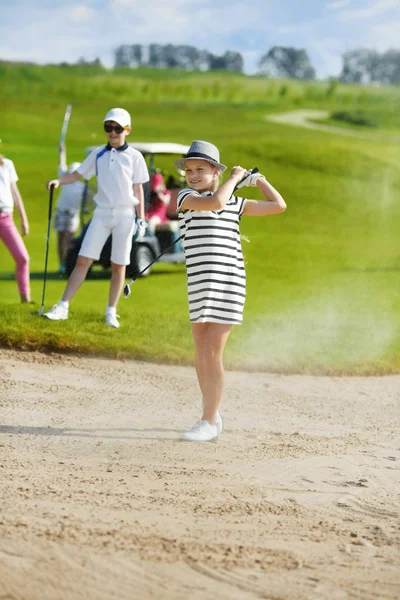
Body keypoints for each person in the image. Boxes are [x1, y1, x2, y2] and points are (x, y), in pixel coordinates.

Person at [175, 140, 286, 442]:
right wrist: (235, 180)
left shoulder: (235, 203)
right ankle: (212, 411)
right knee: (201, 353)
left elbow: (278, 205)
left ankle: (209, 420)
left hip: (228, 284)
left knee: (212, 351)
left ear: (215, 173)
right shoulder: (185, 197)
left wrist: (258, 180)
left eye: (201, 169)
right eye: (189, 170)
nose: (193, 175)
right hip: (199, 284)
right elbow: (214, 204)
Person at [43, 107, 149, 328]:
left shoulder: (135, 157)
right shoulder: (98, 154)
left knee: (118, 264)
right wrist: (58, 181)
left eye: (117, 128)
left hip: (126, 215)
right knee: (83, 259)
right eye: (108, 127)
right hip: (101, 213)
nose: (112, 132)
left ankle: (111, 311)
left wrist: (141, 219)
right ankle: (63, 306)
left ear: (127, 130)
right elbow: (78, 174)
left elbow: (137, 188)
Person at [0, 152, 32, 303]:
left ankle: (25, 299)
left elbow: (15, 192)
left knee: (23, 258)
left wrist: (23, 218)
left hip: (6, 217)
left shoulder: (7, 164)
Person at [53, 142, 85, 274]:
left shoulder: (82, 187)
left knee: (67, 240)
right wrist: (62, 151)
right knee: (60, 240)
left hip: (72, 216)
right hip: (60, 213)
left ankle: (68, 264)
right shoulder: (64, 179)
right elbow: (62, 163)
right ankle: (62, 264)